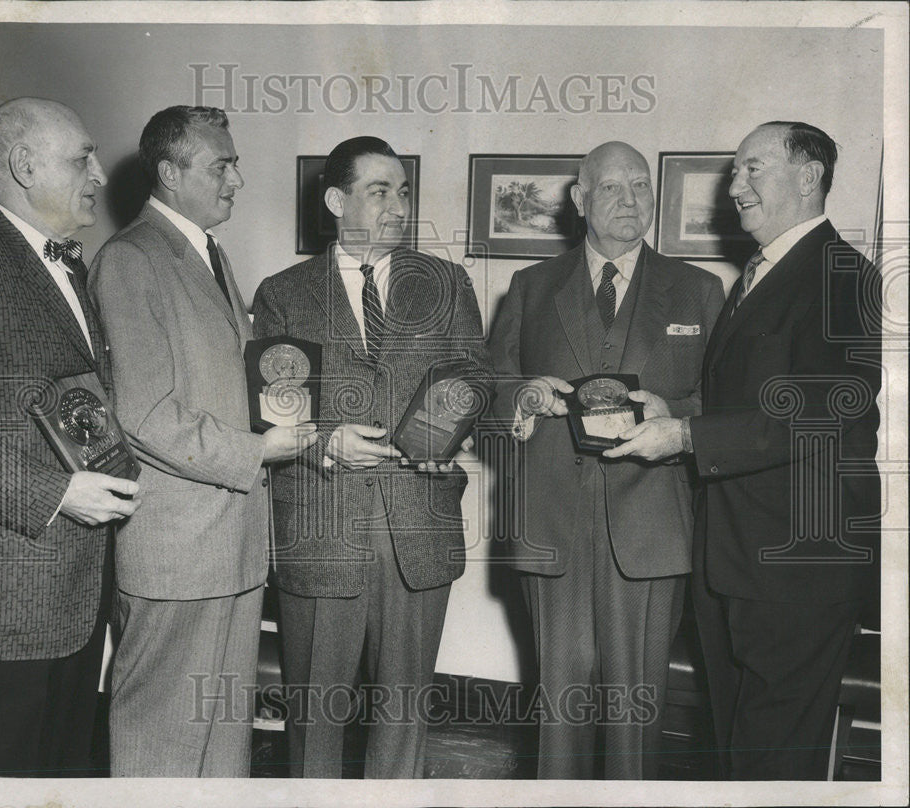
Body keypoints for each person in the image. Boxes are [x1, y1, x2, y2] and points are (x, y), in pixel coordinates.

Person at [605, 121, 881, 780]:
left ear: (808, 176)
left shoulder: (844, 276)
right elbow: (755, 401)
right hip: (735, 560)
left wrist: (687, 437)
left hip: (796, 568)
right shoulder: (763, 273)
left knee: (773, 758)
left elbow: (822, 408)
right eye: (735, 172)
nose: (734, 188)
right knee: (735, 748)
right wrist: (677, 411)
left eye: (753, 169)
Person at [251, 136, 493, 778]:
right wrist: (326, 441)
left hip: (418, 522)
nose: (397, 205)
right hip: (323, 528)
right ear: (336, 200)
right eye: (379, 191)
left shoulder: (445, 283)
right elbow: (277, 406)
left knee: (404, 717)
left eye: (403, 191)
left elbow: (470, 374)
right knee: (315, 720)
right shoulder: (283, 292)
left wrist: (448, 437)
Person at [87, 106, 317, 777]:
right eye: (222, 165)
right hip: (176, 554)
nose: (237, 179)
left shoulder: (205, 252)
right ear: (170, 172)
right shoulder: (131, 259)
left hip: (231, 546)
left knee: (221, 744)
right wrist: (259, 451)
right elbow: (146, 414)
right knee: (161, 744)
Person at [486, 141, 724, 779]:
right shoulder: (532, 287)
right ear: (580, 199)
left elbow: (723, 405)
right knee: (558, 706)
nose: (630, 200)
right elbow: (491, 385)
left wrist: (672, 414)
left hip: (650, 524)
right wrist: (523, 396)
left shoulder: (700, 291)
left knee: (635, 710)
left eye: (641, 186)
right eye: (612, 188)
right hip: (551, 519)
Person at [0, 97, 141, 776]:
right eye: (82, 157)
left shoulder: (69, 271)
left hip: (74, 599)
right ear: (25, 165)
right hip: (2, 612)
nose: (100, 174)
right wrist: (57, 494)